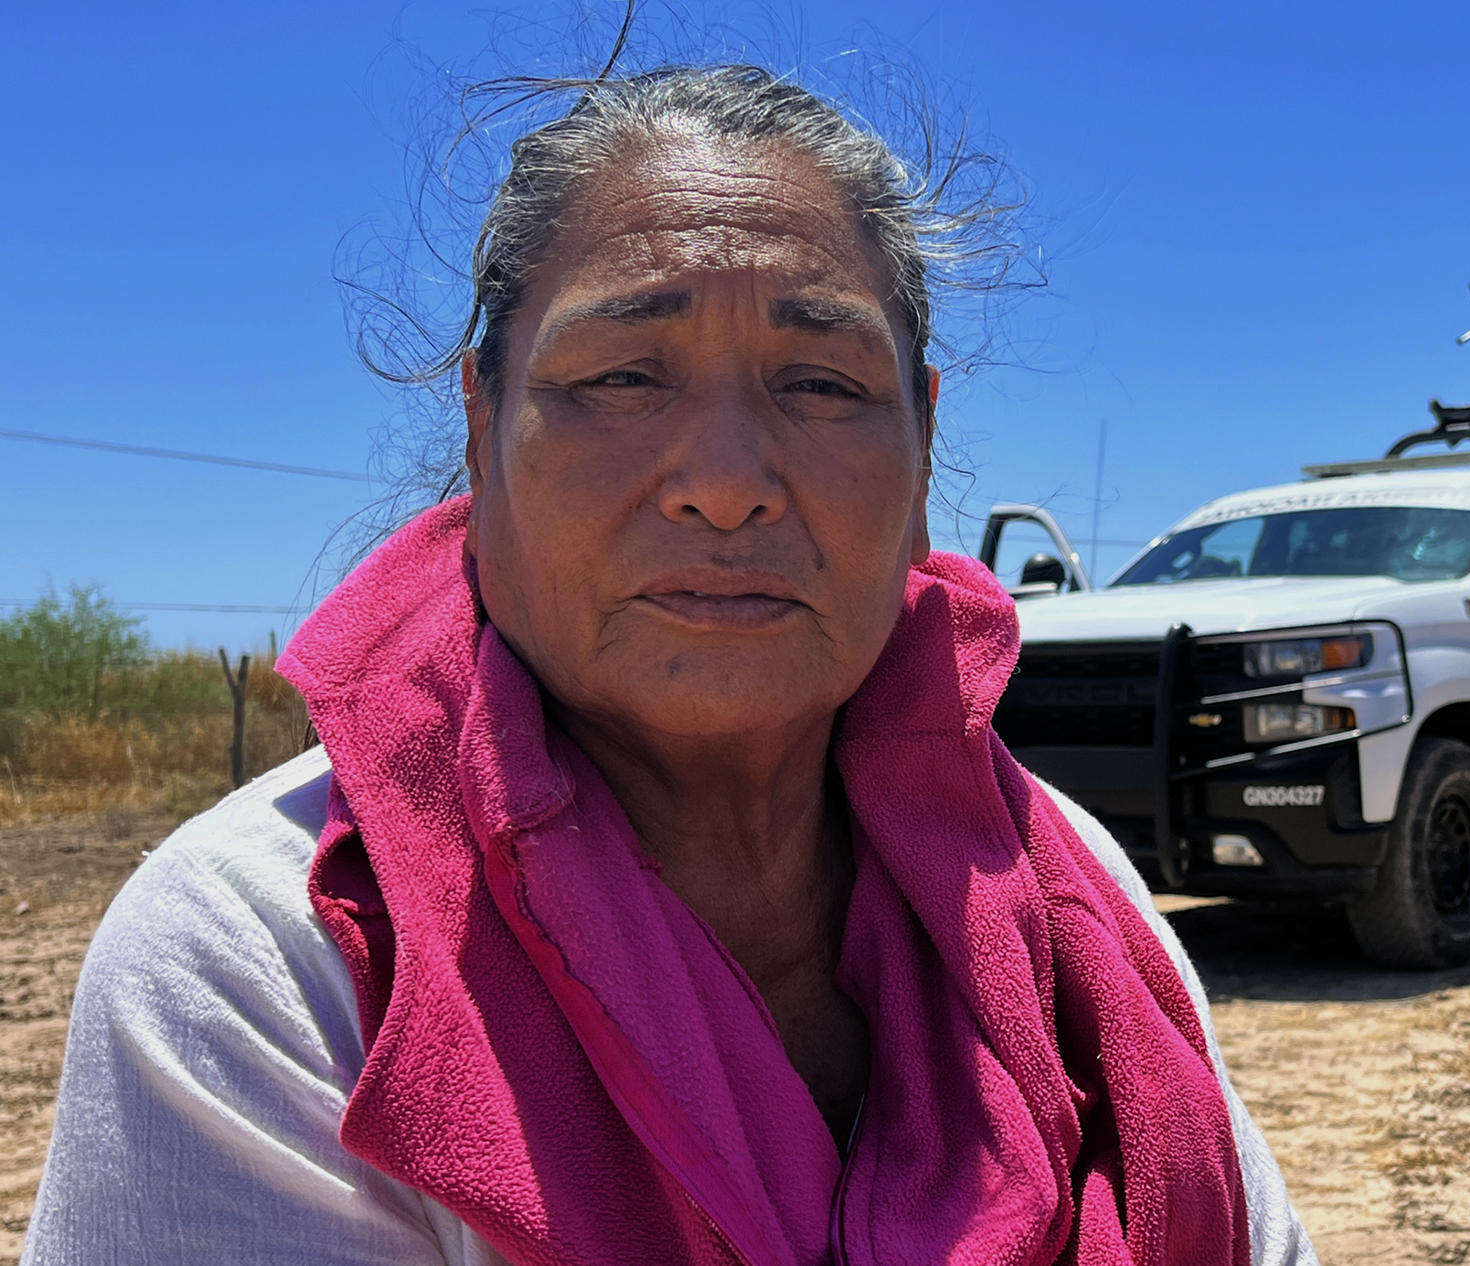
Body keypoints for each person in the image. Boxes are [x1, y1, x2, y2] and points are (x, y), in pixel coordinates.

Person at [22, 59, 1318, 1266]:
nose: (725, 482)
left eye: (819, 382)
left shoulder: (1075, 899)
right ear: (483, 429)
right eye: (624, 372)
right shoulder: (263, 963)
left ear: (922, 447)